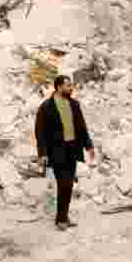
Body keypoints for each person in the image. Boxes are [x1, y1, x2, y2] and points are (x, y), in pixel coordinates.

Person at [35, 76, 95, 231]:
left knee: (68, 186)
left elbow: (82, 127)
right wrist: (42, 153)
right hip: (56, 151)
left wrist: (89, 146)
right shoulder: (46, 107)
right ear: (59, 87)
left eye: (71, 85)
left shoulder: (74, 104)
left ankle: (63, 216)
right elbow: (40, 132)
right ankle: (61, 219)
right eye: (68, 85)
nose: (71, 88)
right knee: (65, 183)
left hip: (72, 150)